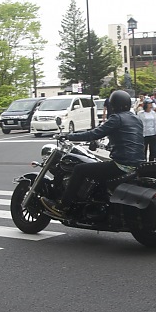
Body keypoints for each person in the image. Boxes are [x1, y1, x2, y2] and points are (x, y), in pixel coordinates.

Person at [40, 90, 144, 220]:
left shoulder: (116, 118)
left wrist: (68, 136)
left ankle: (62, 206)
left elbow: (93, 133)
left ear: (114, 105)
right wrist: (107, 146)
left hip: (121, 165)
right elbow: (128, 139)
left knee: (79, 169)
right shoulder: (136, 119)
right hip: (138, 164)